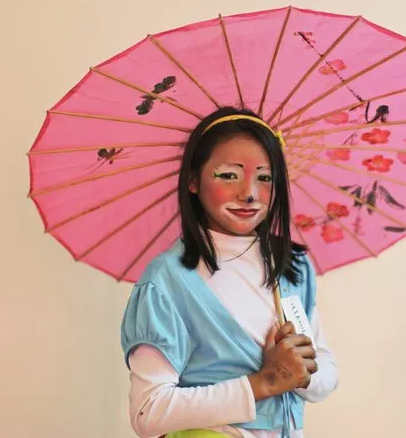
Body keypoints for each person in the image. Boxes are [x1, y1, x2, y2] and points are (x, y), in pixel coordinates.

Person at [120, 106, 339, 438]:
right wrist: (265, 381)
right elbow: (147, 411)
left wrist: (303, 373)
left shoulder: (292, 266)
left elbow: (325, 368)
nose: (249, 193)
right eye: (228, 175)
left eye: (265, 177)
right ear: (193, 180)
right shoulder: (168, 280)